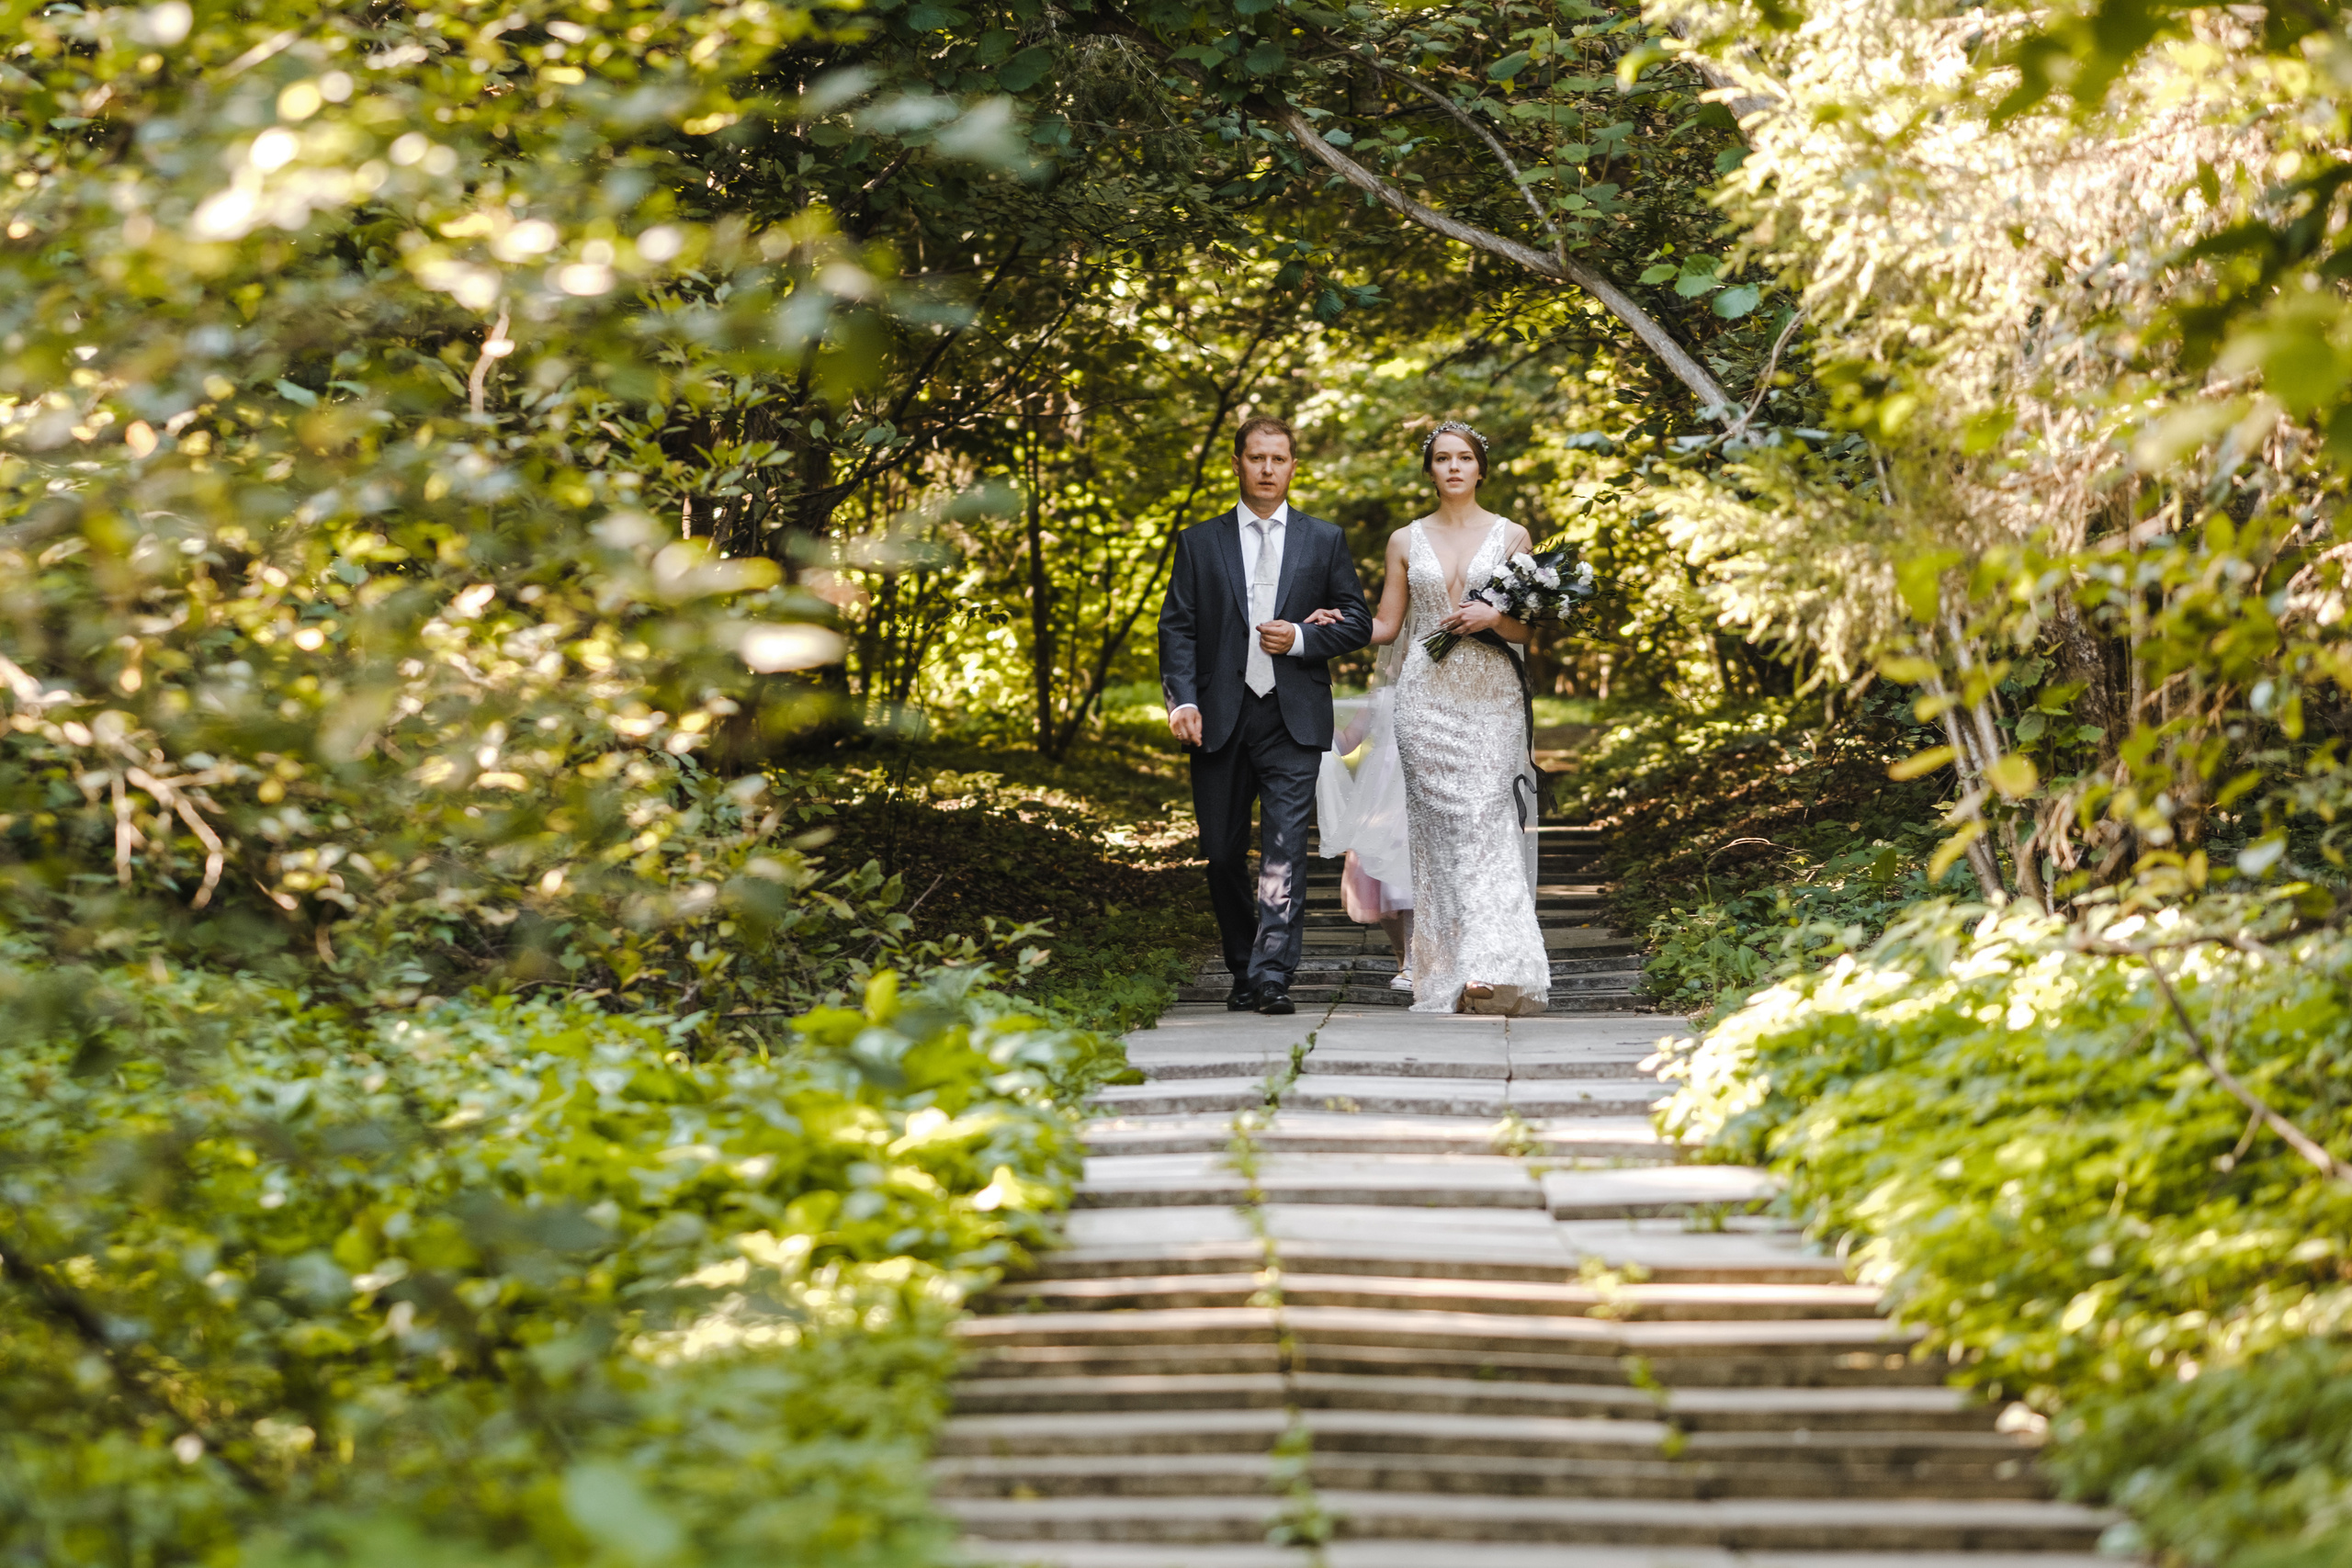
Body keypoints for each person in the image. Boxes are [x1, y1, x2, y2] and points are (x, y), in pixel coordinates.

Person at [1312, 421, 1547, 1015]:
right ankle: (1452, 966)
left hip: (1492, 695)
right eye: (1442, 458)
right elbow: (1388, 625)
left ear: (1479, 468)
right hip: (1425, 697)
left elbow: (1528, 627)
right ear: (1431, 469)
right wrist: (1335, 623)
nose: (1453, 467)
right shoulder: (1403, 539)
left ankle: (1492, 959)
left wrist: (1493, 619)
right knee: (1440, 834)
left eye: (1464, 457)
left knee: (1487, 820)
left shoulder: (1513, 535)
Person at [1158, 416, 1374, 1015]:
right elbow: (1177, 626)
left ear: (1293, 466)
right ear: (1237, 463)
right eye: (1257, 457)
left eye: (1279, 459)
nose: (1268, 469)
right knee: (1222, 853)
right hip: (1218, 718)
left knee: (1285, 850)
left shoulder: (1323, 538)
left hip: (1293, 717)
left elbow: (1356, 620)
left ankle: (1272, 975)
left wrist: (1302, 638)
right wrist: (1184, 700)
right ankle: (1241, 963)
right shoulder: (1199, 542)